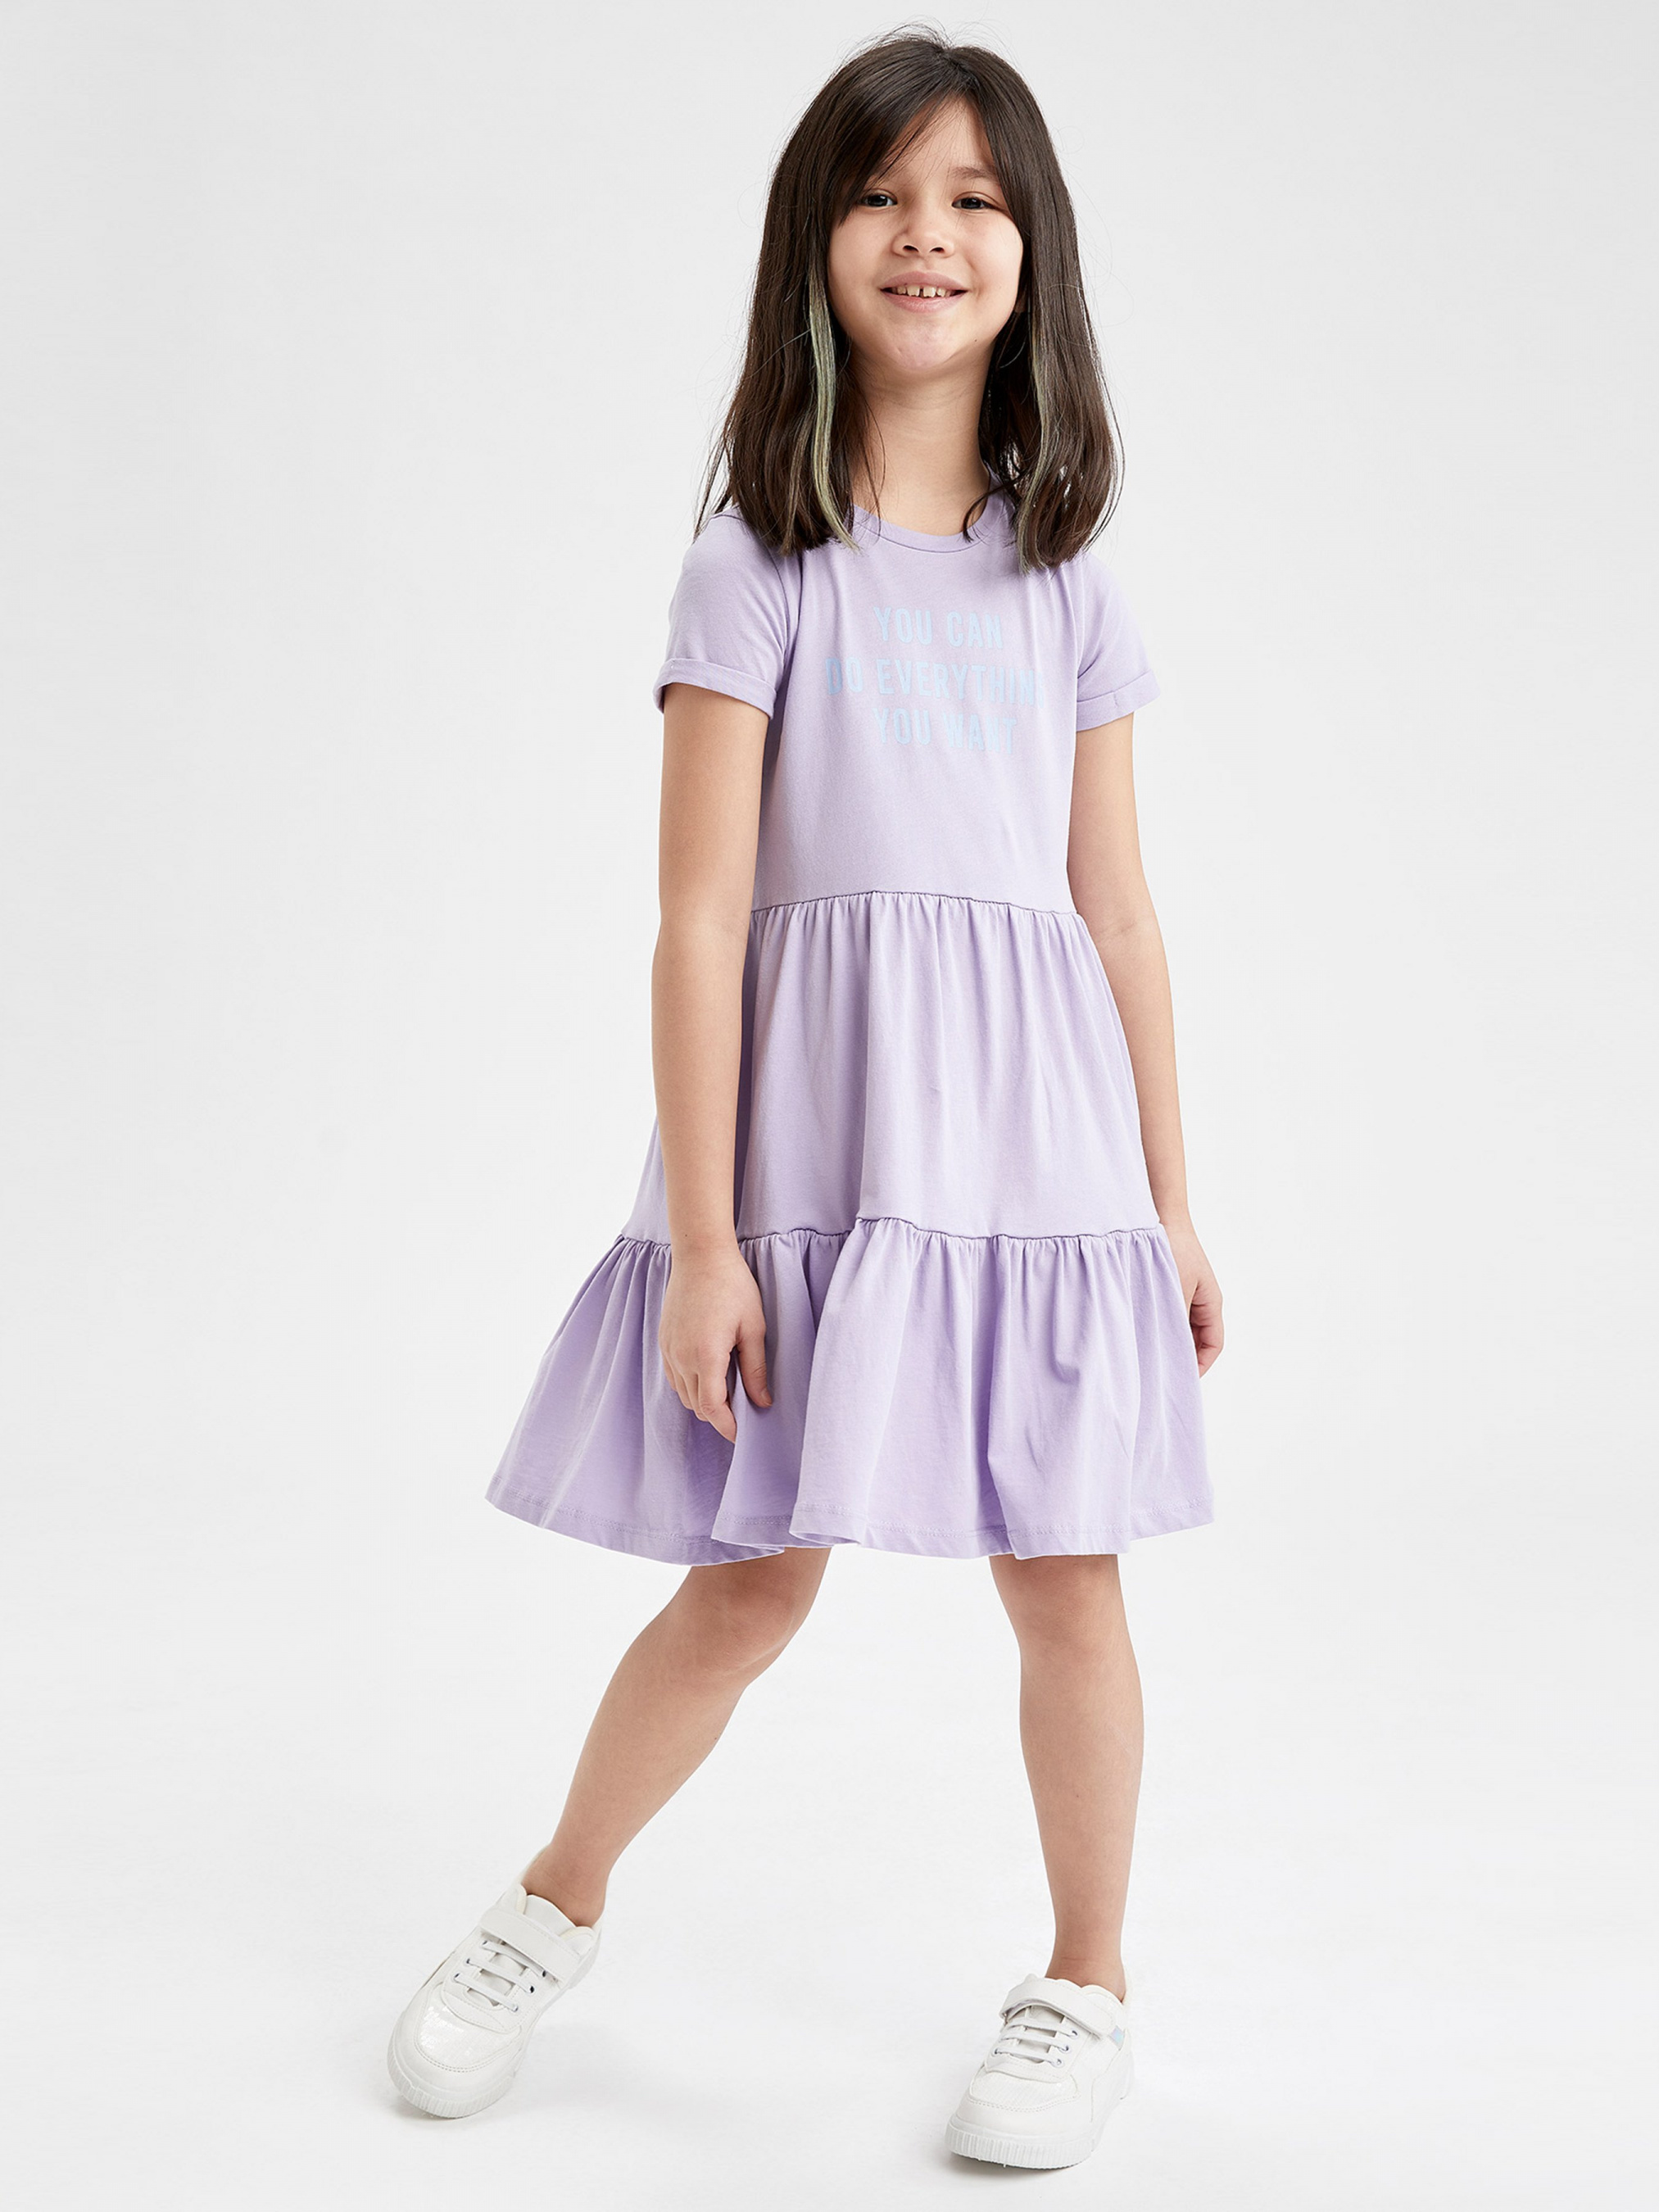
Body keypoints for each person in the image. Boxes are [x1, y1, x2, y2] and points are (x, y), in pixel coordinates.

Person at [387, 29, 1223, 2171]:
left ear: (1031, 256)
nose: (926, 235)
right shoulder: (752, 568)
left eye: (973, 199)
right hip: (817, 1153)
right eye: (881, 194)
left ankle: (1086, 1983)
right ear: (816, 243)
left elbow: (1117, 913)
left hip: (1033, 1160)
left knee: (1068, 1579)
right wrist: (704, 1235)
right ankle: (549, 1901)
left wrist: (1169, 1199)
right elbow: (700, 919)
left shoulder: (1069, 583)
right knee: (753, 1576)